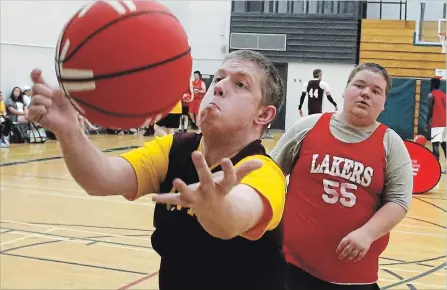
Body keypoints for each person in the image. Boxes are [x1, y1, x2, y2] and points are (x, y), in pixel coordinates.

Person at [27, 49, 288, 290]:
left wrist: (217, 208)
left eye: (240, 84)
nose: (219, 87)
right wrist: (68, 130)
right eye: (218, 78)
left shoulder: (262, 171)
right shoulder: (174, 149)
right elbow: (101, 179)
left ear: (263, 115)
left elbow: (233, 218)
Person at [270, 63, 413, 290]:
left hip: (355, 276)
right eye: (359, 85)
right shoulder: (308, 127)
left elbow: (399, 201)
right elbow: (271, 173)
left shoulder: (391, 144)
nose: (366, 93)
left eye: (376, 91)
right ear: (345, 91)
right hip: (292, 266)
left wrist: (367, 233)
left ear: (384, 103)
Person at [426, 77, 446, 171]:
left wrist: (427, 122)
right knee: (444, 145)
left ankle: (436, 167)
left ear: (432, 85)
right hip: (445, 123)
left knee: (435, 145)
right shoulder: (444, 95)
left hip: (437, 123)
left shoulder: (431, 95)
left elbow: (430, 111)